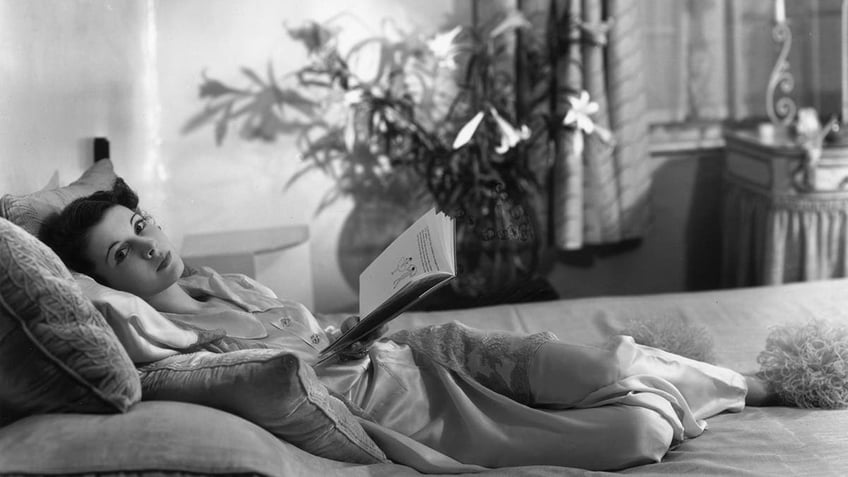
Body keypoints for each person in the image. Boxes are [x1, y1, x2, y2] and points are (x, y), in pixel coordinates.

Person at [39, 178, 778, 472]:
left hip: (417, 350)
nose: (147, 245)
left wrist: (368, 316)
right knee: (638, 435)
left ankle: (731, 381)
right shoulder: (161, 333)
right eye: (121, 253)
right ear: (104, 279)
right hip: (403, 407)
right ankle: (677, 392)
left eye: (140, 223)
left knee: (596, 365)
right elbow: (282, 372)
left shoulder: (215, 279)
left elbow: (310, 326)